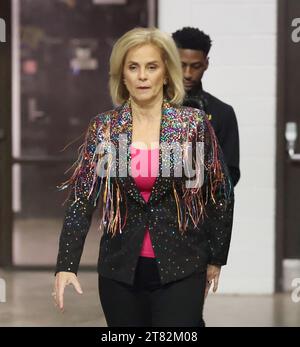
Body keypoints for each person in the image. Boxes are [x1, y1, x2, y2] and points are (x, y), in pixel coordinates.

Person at [53, 27, 234, 327]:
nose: (142, 76)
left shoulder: (191, 125)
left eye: (152, 67)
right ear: (122, 75)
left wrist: (215, 258)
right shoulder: (105, 129)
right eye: (133, 67)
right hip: (120, 270)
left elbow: (219, 193)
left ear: (166, 73)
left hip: (182, 268)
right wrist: (66, 264)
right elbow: (82, 199)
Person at [172, 27, 240, 186]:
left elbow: (231, 173)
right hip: (158, 208)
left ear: (206, 64)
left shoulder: (223, 112)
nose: (188, 74)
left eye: (195, 66)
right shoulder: (153, 108)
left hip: (204, 207)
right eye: (182, 65)